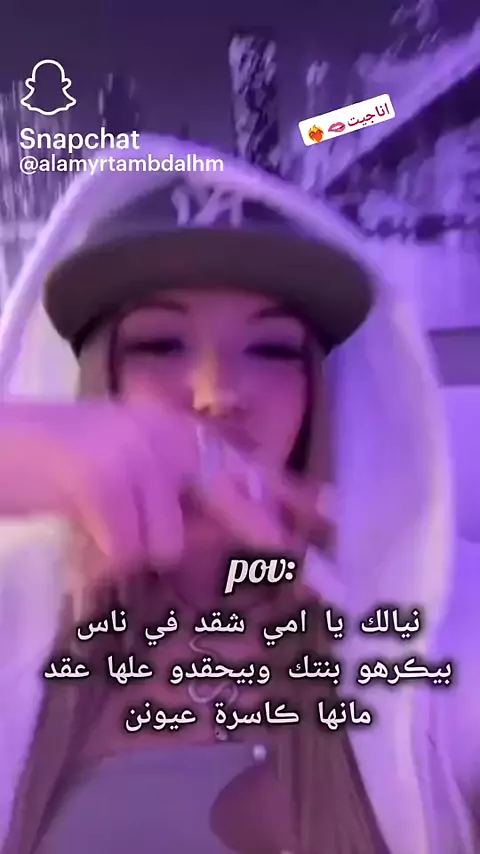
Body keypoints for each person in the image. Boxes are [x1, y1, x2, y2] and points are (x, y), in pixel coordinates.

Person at [0, 135, 471, 854]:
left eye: (272, 349)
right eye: (161, 344)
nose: (217, 394)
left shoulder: (435, 613)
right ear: (100, 378)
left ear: (317, 390)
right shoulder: (16, 613)